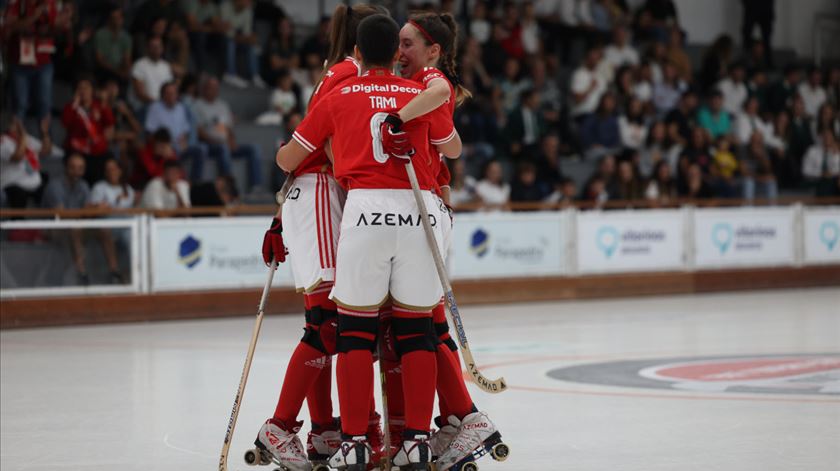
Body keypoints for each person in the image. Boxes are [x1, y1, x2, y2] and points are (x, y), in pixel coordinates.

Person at [274, 14, 462, 470]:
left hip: (365, 212)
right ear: (397, 54)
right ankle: (416, 440)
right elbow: (450, 148)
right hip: (417, 213)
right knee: (417, 331)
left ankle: (354, 442)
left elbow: (288, 157)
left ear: (356, 54)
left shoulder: (339, 93)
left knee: (355, 333)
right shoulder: (418, 90)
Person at [254, 5, 383, 470]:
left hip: (310, 196)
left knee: (325, 324)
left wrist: (277, 216)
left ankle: (326, 430)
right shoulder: (349, 75)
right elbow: (325, 146)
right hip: (321, 193)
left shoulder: (339, 71)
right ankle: (281, 427)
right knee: (330, 325)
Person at [3, 0, 66, 148]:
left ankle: (47, 142)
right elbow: (11, 26)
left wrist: (59, 24)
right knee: (20, 104)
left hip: (43, 61)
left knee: (44, 103)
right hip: (20, 63)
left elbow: (55, 31)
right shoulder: (17, 4)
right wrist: (35, 15)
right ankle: (15, 143)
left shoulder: (50, 4)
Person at [193, 76, 263, 193]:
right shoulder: (197, 106)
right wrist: (218, 142)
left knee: (254, 149)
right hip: (210, 145)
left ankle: (256, 187)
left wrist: (232, 140)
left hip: (225, 143)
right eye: (211, 88)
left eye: (216, 88)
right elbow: (199, 132)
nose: (214, 91)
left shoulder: (222, 105)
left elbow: (229, 127)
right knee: (223, 148)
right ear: (204, 89)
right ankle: (229, 186)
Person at [144, 81, 212, 182]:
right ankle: (178, 179)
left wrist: (184, 141)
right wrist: (165, 146)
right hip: (164, 147)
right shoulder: (155, 108)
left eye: (174, 93)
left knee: (201, 149)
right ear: (163, 95)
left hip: (180, 146)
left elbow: (185, 130)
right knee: (173, 151)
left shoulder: (181, 108)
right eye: (168, 93)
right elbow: (150, 132)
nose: (172, 96)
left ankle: (195, 182)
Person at [42, 153, 91, 283]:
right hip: (52, 229)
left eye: (80, 168)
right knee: (74, 230)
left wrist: (97, 208)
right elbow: (62, 214)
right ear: (66, 168)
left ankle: (114, 272)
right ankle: (81, 271)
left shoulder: (83, 185)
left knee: (105, 231)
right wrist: (86, 212)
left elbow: (89, 210)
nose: (77, 171)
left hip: (76, 227)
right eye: (73, 167)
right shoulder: (55, 185)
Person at [62, 78, 115, 186]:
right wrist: (75, 104)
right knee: (76, 164)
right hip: (77, 150)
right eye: (80, 88)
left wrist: (104, 104)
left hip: (97, 151)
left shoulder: (99, 106)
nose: (83, 90)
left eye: (86, 87)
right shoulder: (71, 107)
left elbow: (110, 122)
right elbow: (65, 123)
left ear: (92, 90)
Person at [90, 158, 134, 282]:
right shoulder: (99, 187)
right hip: (106, 225)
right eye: (108, 169)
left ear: (120, 171)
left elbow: (128, 209)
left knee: (133, 236)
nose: (111, 172)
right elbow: (94, 210)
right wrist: (110, 204)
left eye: (114, 168)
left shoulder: (128, 189)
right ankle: (114, 271)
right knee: (105, 230)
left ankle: (135, 273)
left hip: (125, 226)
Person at [1, 119, 48, 208]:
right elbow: (17, 157)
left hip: (33, 183)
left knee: (46, 179)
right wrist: (23, 135)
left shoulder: (26, 138)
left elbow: (46, 150)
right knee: (18, 194)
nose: (19, 126)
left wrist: (44, 132)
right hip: (13, 185)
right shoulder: (3, 141)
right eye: (15, 124)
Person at [219, 0, 265, 88]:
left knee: (252, 45)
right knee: (230, 43)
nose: (249, 2)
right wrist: (239, 37)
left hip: (237, 38)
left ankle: (255, 76)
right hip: (219, 39)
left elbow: (246, 34)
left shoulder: (248, 11)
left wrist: (247, 38)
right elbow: (225, 30)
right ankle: (230, 74)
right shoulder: (225, 5)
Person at [129, 37, 174, 111]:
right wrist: (158, 104)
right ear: (147, 48)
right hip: (145, 106)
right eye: (153, 46)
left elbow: (171, 90)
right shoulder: (139, 65)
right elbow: (140, 94)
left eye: (158, 46)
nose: (156, 49)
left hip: (163, 107)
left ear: (162, 48)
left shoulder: (166, 66)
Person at [93, 7, 132, 91]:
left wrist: (126, 71)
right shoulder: (101, 34)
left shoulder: (126, 37)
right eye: (113, 18)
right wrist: (117, 72)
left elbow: (127, 58)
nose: (116, 21)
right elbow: (99, 59)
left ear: (122, 19)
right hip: (105, 70)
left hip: (119, 71)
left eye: (119, 18)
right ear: (109, 19)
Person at [570, 45, 607, 121]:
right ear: (587, 58)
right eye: (592, 58)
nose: (594, 61)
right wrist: (590, 88)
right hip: (582, 114)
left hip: (599, 116)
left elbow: (605, 99)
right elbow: (577, 100)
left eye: (596, 58)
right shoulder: (579, 74)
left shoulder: (601, 77)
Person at [802, 130, 840, 196]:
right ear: (821, 138)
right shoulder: (812, 151)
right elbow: (805, 170)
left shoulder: (836, 152)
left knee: (832, 182)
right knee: (826, 183)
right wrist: (821, 173)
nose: (827, 139)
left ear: (833, 139)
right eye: (825, 137)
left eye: (830, 138)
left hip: (831, 181)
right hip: (815, 180)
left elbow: (837, 170)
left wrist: (835, 154)